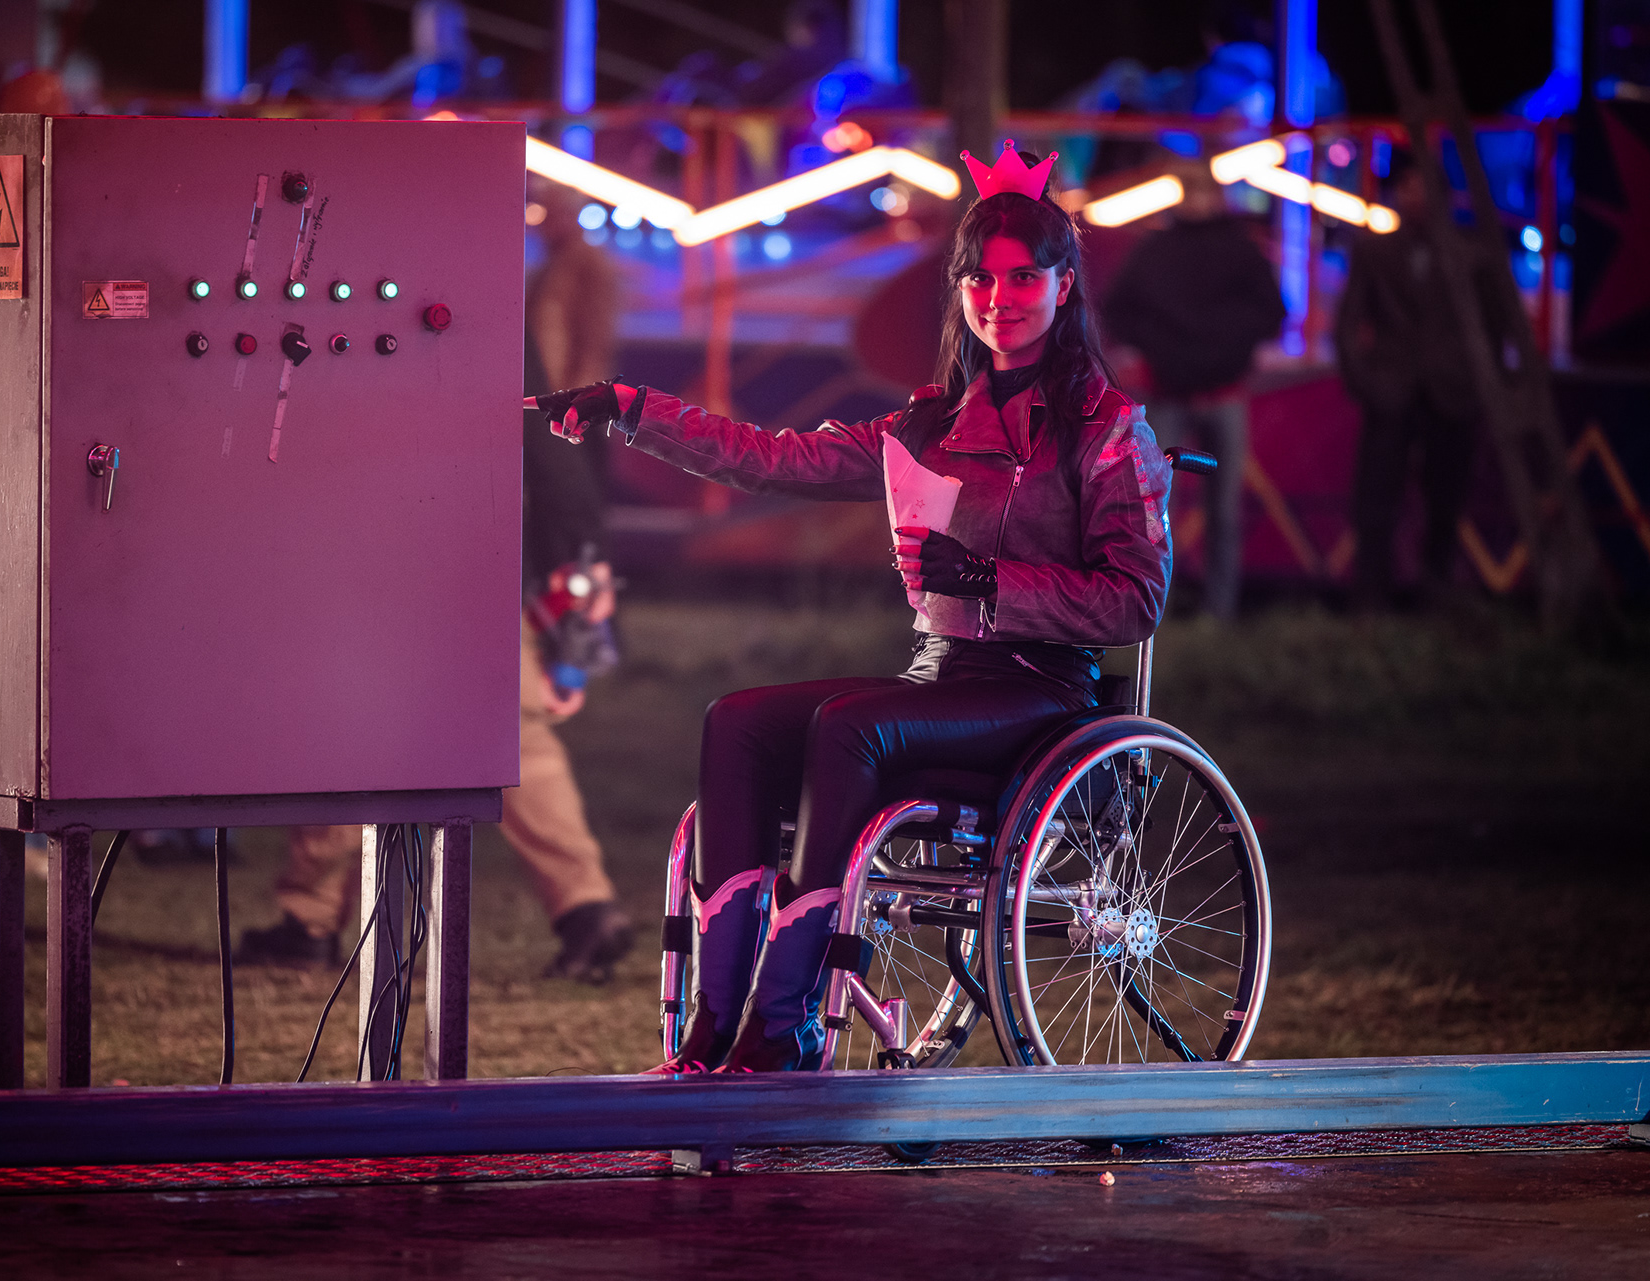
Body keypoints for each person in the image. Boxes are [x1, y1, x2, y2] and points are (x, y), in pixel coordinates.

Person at [531, 145, 1172, 1074]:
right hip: (941, 675)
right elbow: (770, 458)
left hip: (1041, 692)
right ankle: (716, 1020)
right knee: (738, 719)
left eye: (1023, 278)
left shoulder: (1108, 430)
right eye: (980, 280)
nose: (999, 299)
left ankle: (783, 1021)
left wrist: (990, 579)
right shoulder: (927, 424)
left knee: (849, 726)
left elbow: (1136, 599)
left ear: (1064, 287)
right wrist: (632, 407)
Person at [238, 336, 635, 983]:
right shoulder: (492, 313)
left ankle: (309, 919)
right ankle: (586, 908)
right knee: (520, 738)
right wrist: (581, 580)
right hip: (479, 565)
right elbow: (551, 450)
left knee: (343, 735)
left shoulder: (343, 323)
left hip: (367, 559)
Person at [1106, 168, 1285, 618]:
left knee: (1221, 510)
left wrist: (1221, 347)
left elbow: (1272, 313)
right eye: (1192, 191)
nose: (1197, 200)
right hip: (1172, 394)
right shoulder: (1157, 251)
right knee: (1154, 511)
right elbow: (1118, 311)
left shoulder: (1239, 250)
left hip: (1221, 394)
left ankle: (1217, 612)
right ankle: (1153, 608)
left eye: (1203, 191)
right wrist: (1162, 348)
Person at [1335, 167, 1491, 609]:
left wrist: (1475, 385)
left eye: (1424, 188)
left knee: (1446, 499)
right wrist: (1364, 382)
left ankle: (1436, 592)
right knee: (1375, 499)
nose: (1414, 197)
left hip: (1451, 394)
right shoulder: (1374, 250)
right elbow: (1348, 322)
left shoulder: (1472, 254)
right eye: (1407, 187)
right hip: (1390, 393)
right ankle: (1371, 596)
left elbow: (1495, 326)